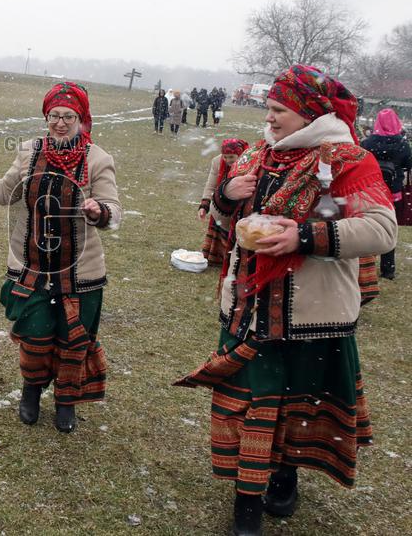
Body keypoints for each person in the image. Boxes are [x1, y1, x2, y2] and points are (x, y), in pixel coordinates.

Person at [175, 64, 396, 536]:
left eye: (278, 110)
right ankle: (246, 500)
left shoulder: (347, 161)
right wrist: (227, 196)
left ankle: (285, 474)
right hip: (249, 308)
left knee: (294, 411)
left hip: (310, 315)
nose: (268, 118)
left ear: (307, 112)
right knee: (251, 407)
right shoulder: (258, 154)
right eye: (269, 109)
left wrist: (306, 236)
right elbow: (222, 221)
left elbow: (381, 229)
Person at [0, 82, 121, 434]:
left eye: (68, 117)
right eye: (54, 116)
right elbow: (4, 190)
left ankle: (66, 402)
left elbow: (114, 210)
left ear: (82, 119)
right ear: (46, 117)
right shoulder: (29, 151)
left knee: (74, 342)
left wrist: (98, 210)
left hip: (80, 272)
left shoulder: (97, 159)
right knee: (35, 336)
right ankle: (31, 391)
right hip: (33, 267)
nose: (60, 123)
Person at [360, 108, 411, 279]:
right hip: (393, 191)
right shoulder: (403, 144)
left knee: (367, 226)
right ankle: (388, 269)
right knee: (390, 228)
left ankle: (364, 266)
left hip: (370, 190)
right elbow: (408, 164)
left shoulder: (367, 143)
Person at [198, 138, 249, 266]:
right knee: (219, 227)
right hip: (220, 203)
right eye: (225, 157)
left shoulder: (249, 162)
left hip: (241, 206)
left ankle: (234, 260)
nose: (227, 160)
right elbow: (210, 185)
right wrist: (204, 205)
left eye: (231, 157)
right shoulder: (217, 162)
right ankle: (217, 258)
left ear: (240, 154)